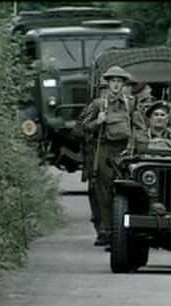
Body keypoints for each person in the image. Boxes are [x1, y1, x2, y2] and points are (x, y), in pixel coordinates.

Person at [81, 65, 136, 247]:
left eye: (119, 82)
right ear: (108, 83)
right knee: (103, 194)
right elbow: (83, 127)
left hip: (123, 152)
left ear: (123, 84)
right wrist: (98, 121)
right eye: (113, 81)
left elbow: (139, 126)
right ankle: (107, 231)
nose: (116, 85)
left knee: (122, 192)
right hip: (104, 151)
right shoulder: (98, 104)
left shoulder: (130, 103)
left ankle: (121, 231)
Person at [74, 78, 108, 243]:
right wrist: (97, 123)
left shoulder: (125, 105)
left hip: (113, 155)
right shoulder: (95, 106)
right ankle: (101, 229)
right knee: (96, 192)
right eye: (105, 89)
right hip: (94, 154)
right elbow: (79, 129)